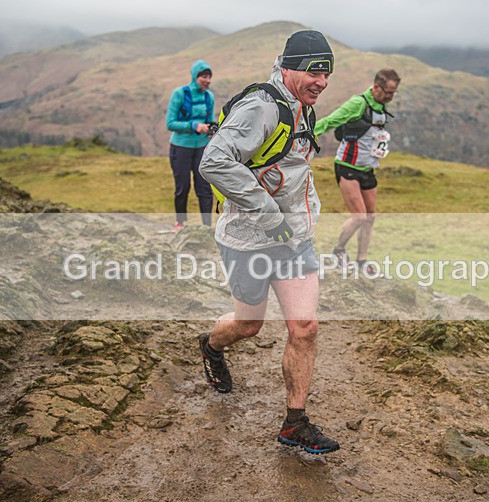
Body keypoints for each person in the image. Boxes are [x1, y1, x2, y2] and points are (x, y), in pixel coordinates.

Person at [197, 30, 339, 454]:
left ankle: (295, 423)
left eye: (327, 72)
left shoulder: (302, 107)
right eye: (314, 71)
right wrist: (268, 213)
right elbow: (214, 160)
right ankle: (210, 345)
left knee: (305, 327)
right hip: (249, 238)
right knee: (249, 325)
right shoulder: (261, 107)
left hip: (294, 238)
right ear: (289, 66)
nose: (322, 81)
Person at [314, 68, 401, 276]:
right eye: (388, 92)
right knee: (359, 216)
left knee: (370, 217)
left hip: (368, 169)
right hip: (347, 166)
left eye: (394, 93)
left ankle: (362, 261)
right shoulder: (358, 103)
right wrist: (305, 136)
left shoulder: (380, 106)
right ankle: (338, 252)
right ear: (376, 87)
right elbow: (330, 121)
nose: (390, 97)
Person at [166, 59, 215, 231]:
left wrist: (211, 130)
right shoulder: (179, 94)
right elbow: (170, 123)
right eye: (203, 76)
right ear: (195, 76)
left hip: (201, 147)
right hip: (180, 147)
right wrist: (194, 126)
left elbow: (208, 121)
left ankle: (207, 226)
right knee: (183, 186)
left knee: (204, 187)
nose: (207, 80)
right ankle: (180, 223)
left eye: (209, 77)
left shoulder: (209, 97)